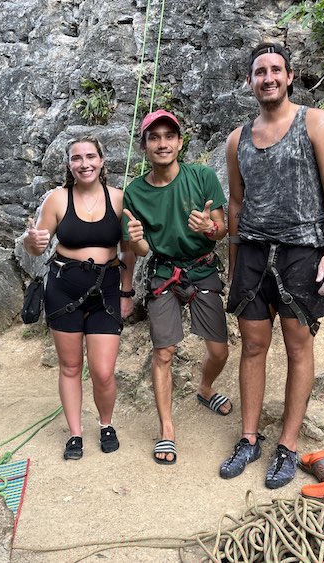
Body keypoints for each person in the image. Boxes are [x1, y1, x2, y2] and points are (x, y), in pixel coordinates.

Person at [219, 42, 324, 488]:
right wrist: (234, 265)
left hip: (302, 250)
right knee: (252, 344)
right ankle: (249, 438)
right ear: (250, 81)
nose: (268, 78)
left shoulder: (315, 122)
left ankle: (288, 445)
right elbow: (236, 205)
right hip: (253, 249)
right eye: (259, 72)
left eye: (276, 70)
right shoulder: (238, 139)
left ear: (290, 76)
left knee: (298, 346)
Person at [123, 109, 230, 465]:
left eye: (169, 136)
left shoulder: (201, 176)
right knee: (163, 352)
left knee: (219, 351)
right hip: (164, 273)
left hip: (201, 270)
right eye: (154, 137)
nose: (162, 143)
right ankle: (167, 429)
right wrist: (137, 241)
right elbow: (140, 249)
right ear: (144, 147)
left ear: (181, 143)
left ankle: (205, 388)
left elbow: (222, 227)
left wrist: (208, 229)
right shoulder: (135, 192)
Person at [23, 135, 136, 461]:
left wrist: (126, 291)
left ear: (102, 161)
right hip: (63, 287)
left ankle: (105, 423)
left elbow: (128, 250)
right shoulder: (56, 200)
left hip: (106, 289)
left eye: (90, 156)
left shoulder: (118, 198)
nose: (84, 163)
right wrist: (33, 240)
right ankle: (75, 433)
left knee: (102, 371)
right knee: (70, 366)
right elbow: (37, 246)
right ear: (69, 165)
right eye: (77, 158)